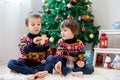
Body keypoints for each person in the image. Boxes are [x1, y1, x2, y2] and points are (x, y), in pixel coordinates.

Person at [7, 12, 52, 80]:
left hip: (39, 64)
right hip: (26, 62)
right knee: (11, 63)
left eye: (38, 24)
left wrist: (45, 59)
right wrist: (33, 43)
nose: (36, 26)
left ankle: (27, 71)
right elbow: (23, 51)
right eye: (33, 24)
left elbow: (48, 52)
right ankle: (34, 72)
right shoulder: (24, 38)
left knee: (49, 65)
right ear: (27, 26)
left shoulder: (44, 39)